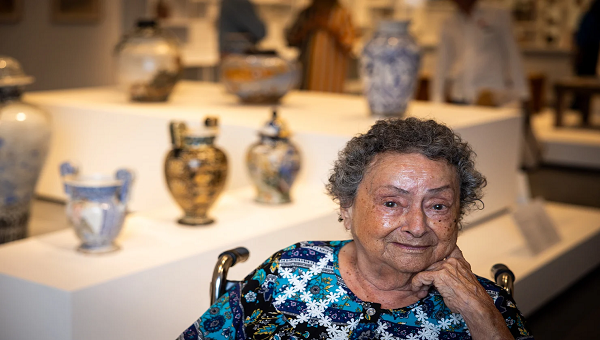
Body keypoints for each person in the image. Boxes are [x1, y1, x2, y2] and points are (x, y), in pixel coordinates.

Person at [177, 117, 533, 339]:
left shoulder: (486, 304)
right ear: (347, 208)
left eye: (438, 206)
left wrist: (479, 313)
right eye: (392, 202)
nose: (416, 226)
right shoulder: (289, 271)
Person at [432, 0, 529, 107]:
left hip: (491, 94)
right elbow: (442, 62)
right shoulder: (448, 22)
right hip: (460, 94)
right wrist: (437, 98)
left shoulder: (497, 15)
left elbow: (513, 54)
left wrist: (523, 93)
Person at [285, 0, 356, 93]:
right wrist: (308, 28)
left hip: (332, 79)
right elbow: (291, 41)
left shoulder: (343, 14)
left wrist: (329, 28)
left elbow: (349, 46)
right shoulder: (306, 14)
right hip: (306, 78)